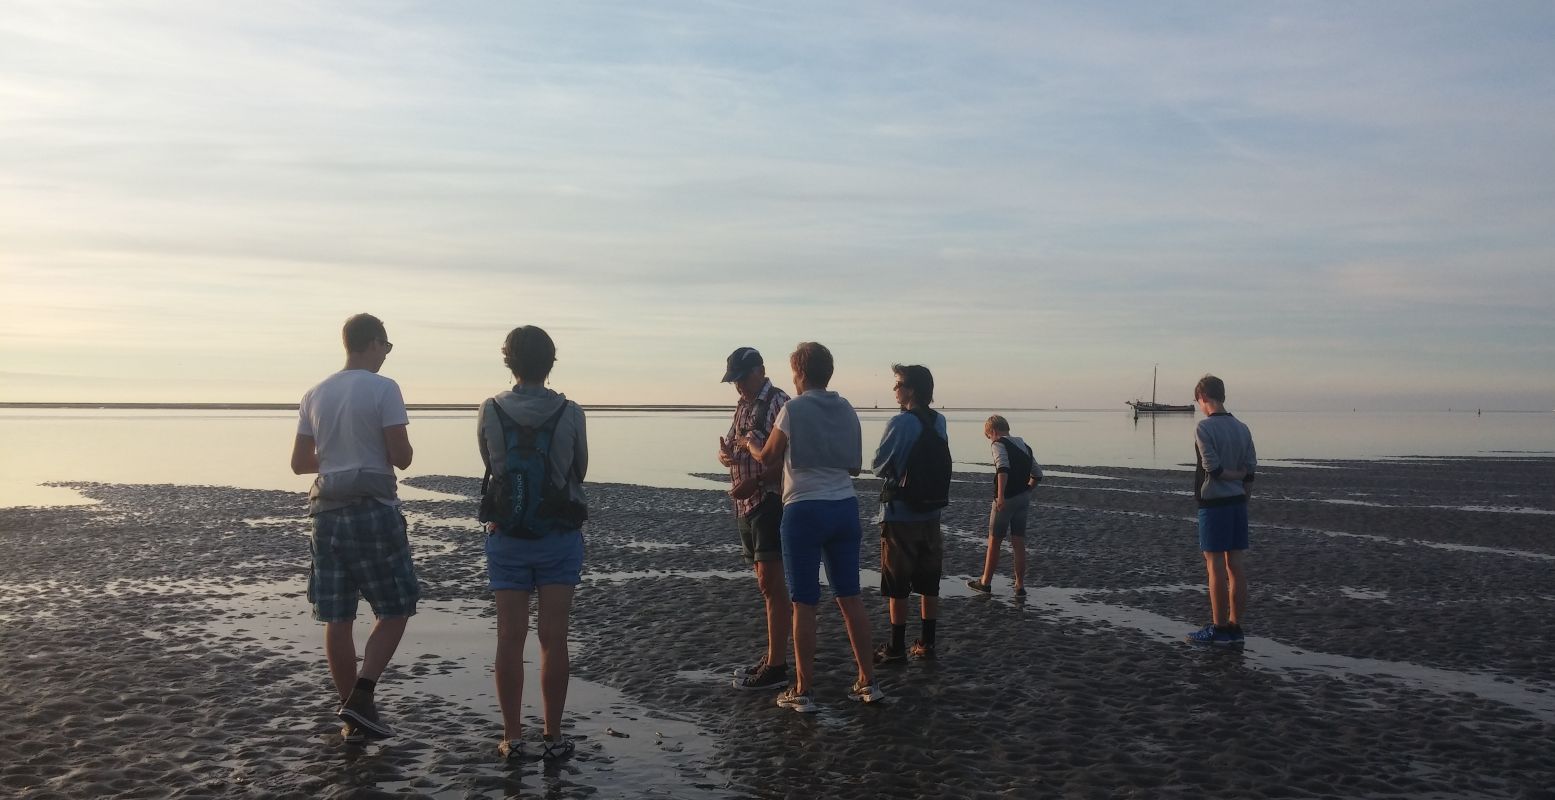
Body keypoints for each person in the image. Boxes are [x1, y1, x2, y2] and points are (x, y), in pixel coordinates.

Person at [291, 313, 417, 743]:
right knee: (396, 607)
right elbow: (402, 457)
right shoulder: (384, 388)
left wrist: (336, 456)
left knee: (337, 615)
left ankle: (352, 715)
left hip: (325, 513)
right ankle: (362, 695)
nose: (386, 355)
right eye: (386, 346)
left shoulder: (315, 393)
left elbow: (299, 463)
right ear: (373, 343)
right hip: (372, 510)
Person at [744, 342, 883, 712]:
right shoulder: (847, 409)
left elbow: (769, 457)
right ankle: (868, 682)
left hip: (804, 508)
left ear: (801, 374)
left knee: (804, 601)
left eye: (794, 372)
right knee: (850, 597)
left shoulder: (792, 409)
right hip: (844, 507)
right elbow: (854, 467)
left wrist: (751, 443)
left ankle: (803, 689)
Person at [477, 325, 589, 759]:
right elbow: (579, 468)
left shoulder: (490, 409)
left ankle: (512, 736)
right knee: (553, 638)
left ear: (509, 362)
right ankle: (553, 737)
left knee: (509, 637)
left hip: (507, 537)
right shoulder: (571, 411)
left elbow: (490, 464)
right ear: (550, 362)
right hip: (558, 536)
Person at [716, 347, 793, 691]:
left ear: (760, 370)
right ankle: (772, 656)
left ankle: (777, 665)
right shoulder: (744, 406)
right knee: (765, 585)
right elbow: (735, 446)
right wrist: (725, 454)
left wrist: (758, 481)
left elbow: (790, 459)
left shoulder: (779, 404)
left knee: (772, 585)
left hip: (768, 501)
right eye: (734, 381)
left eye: (742, 378)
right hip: (745, 505)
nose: (738, 387)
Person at [870, 364, 947, 663]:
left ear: (911, 389)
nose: (895, 389)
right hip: (931, 510)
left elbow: (878, 464)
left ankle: (896, 646)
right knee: (929, 579)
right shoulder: (939, 421)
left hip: (900, 512)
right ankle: (927, 643)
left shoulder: (900, 423)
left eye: (899, 384)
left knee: (897, 581)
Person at [1185, 375, 1257, 646]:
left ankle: (1219, 628)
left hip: (1214, 504)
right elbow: (1250, 469)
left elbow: (1212, 468)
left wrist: (1231, 476)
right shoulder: (1243, 428)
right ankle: (1236, 627)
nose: (1199, 407)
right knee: (1236, 566)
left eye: (1198, 402)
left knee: (1215, 567)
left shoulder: (1204, 428)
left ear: (1203, 399)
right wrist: (1242, 491)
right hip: (1238, 502)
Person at [967, 415, 1041, 596]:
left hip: (1006, 499)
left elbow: (1002, 468)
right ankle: (1020, 585)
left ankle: (985, 582)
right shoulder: (1025, 447)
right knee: (1018, 542)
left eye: (988, 436)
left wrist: (1000, 496)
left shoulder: (998, 444)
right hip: (1023, 498)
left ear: (993, 432)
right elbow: (1037, 474)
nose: (990, 441)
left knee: (994, 541)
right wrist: (1027, 490)